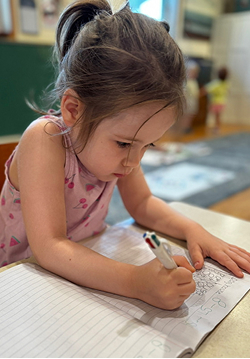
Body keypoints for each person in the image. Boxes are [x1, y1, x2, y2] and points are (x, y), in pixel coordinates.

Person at [1, 0, 250, 311]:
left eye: (149, 145)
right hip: (21, 283)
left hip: (80, 269)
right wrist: (135, 282)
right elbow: (50, 247)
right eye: (123, 144)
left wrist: (193, 230)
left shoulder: (123, 154)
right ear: (73, 110)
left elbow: (143, 204)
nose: (134, 161)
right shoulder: (45, 140)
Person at [203, 66, 230, 133]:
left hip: (216, 102)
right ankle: (217, 127)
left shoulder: (216, 83)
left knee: (216, 116)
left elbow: (206, 89)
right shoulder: (226, 83)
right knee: (218, 116)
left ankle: (217, 128)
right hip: (222, 102)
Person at [181, 60, 200, 133]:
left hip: (193, 101)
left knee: (191, 115)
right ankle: (184, 128)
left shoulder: (194, 81)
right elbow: (184, 92)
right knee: (186, 115)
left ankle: (187, 127)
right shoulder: (186, 81)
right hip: (187, 102)